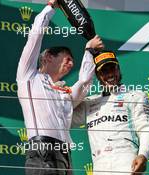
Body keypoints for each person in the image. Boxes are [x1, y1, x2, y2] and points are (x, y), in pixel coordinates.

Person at [16, 0, 104, 174]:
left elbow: (85, 83)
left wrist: (90, 52)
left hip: (65, 156)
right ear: (48, 56)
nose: (72, 63)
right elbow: (35, 37)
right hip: (42, 153)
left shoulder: (65, 93)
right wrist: (50, 7)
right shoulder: (29, 76)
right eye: (67, 58)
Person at [72, 51, 149, 175]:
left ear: (118, 69)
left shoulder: (135, 96)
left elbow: (147, 128)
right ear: (97, 75)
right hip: (99, 166)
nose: (110, 74)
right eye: (104, 71)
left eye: (112, 68)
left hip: (127, 163)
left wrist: (143, 154)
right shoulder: (89, 103)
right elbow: (61, 118)